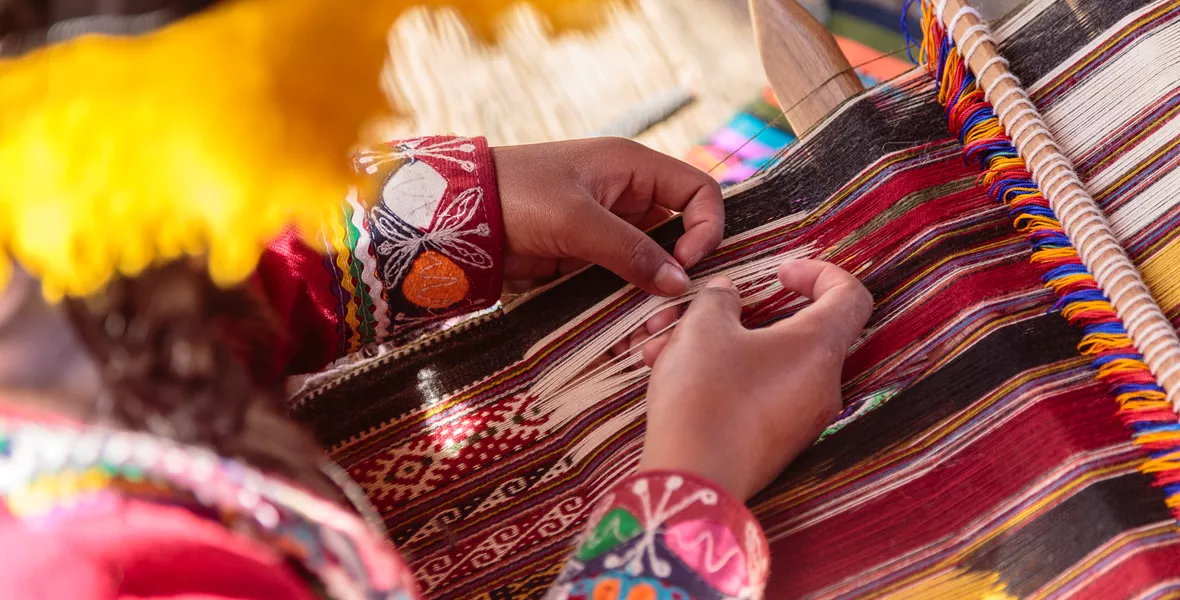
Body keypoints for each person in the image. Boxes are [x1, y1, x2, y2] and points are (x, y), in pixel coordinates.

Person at [0, 3, 873, 599]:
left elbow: (150, 259)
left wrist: (454, 212)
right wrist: (695, 476)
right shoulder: (84, 570)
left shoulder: (56, 251)